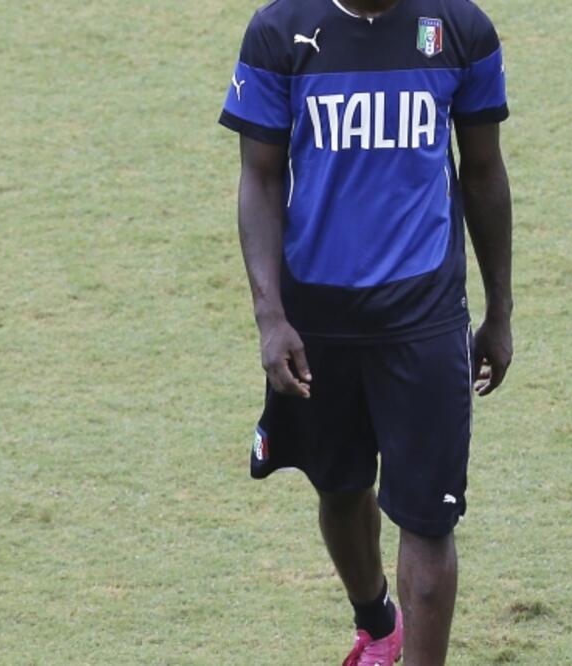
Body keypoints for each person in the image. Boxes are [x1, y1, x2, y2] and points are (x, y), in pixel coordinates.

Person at [219, 0, 512, 663]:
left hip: (426, 316)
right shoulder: (279, 31)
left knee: (429, 518)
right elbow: (259, 177)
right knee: (341, 487)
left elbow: (483, 171)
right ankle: (377, 623)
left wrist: (500, 311)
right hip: (318, 319)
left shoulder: (460, 29)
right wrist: (271, 317)